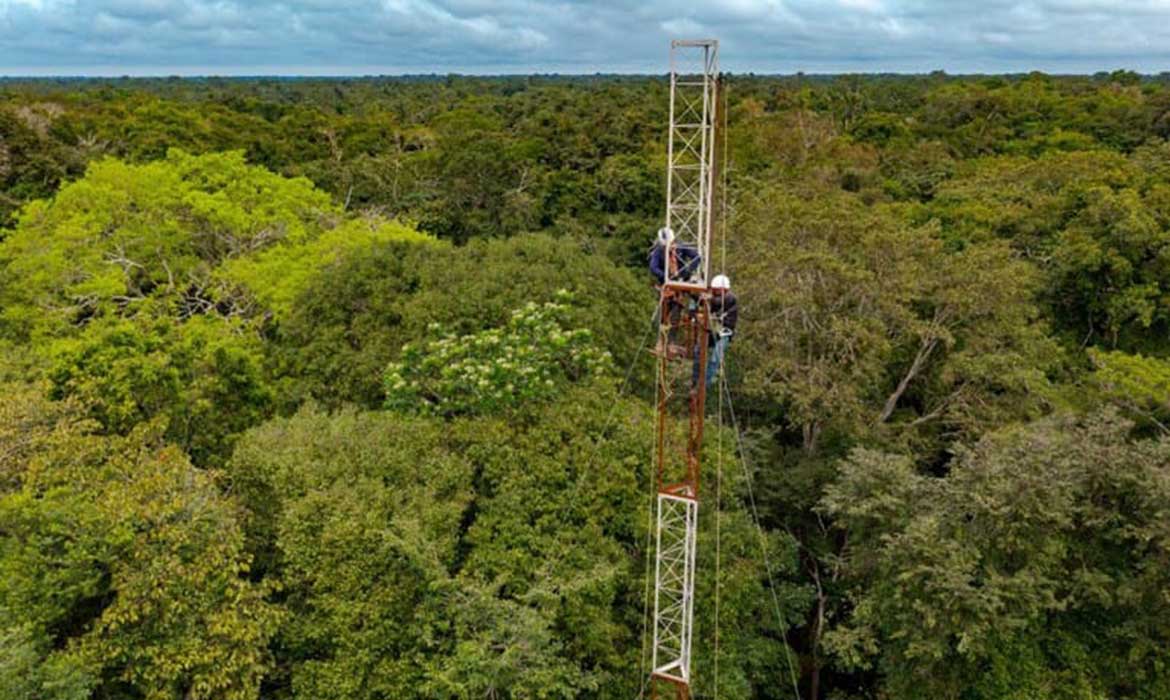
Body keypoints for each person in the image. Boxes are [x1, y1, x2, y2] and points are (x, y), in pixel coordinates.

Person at [702, 274, 737, 389]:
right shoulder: (717, 299)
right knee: (699, 349)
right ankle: (697, 380)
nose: (714, 292)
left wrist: (708, 298)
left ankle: (704, 384)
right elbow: (711, 305)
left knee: (715, 357)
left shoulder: (730, 298)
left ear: (723, 289)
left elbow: (718, 302)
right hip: (716, 331)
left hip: (725, 333)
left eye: (716, 290)